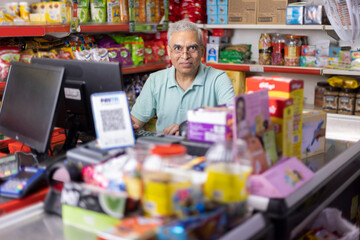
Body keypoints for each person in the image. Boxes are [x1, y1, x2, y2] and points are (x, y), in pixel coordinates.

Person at [131, 20, 235, 135]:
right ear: (169, 52)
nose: (185, 56)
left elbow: (233, 121)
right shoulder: (155, 80)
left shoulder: (218, 79)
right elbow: (135, 122)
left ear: (202, 51)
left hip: (203, 150)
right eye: (177, 48)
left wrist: (188, 128)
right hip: (165, 149)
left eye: (192, 48)